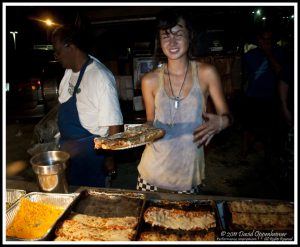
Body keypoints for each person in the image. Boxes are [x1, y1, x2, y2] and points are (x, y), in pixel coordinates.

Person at [136, 8, 233, 194]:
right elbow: (151, 122)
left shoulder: (206, 73)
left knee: (187, 221)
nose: (172, 42)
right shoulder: (149, 80)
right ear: (159, 41)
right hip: (150, 173)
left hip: (187, 175)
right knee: (147, 221)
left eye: (178, 34)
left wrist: (222, 121)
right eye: (165, 36)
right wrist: (136, 134)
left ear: (190, 36)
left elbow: (227, 116)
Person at [51, 25, 123, 187]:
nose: (57, 56)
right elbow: (63, 107)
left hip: (92, 156)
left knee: (93, 206)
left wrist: (110, 157)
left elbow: (115, 124)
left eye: (58, 51)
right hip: (68, 154)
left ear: (71, 46)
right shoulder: (69, 73)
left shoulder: (100, 77)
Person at [241, 27, 286, 166]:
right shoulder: (250, 55)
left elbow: (280, 72)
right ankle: (244, 151)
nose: (266, 42)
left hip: (271, 97)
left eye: (269, 39)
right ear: (259, 40)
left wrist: (268, 54)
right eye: (263, 39)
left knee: (269, 129)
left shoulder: (279, 53)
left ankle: (268, 156)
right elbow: (244, 75)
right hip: (252, 96)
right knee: (248, 126)